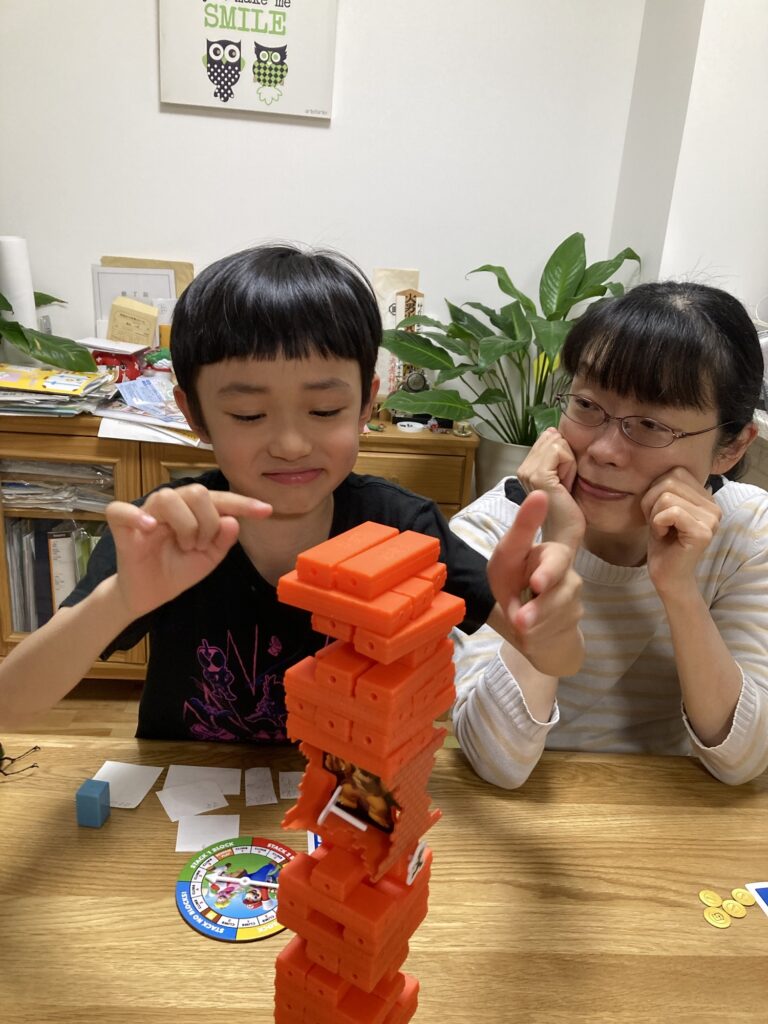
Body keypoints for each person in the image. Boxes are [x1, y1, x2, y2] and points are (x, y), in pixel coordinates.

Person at [0, 242, 582, 742]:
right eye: (248, 414)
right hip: (190, 795)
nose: (291, 444)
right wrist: (121, 598)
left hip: (349, 797)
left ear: (366, 403)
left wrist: (545, 620)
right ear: (195, 414)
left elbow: (558, 657)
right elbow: (11, 706)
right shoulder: (165, 531)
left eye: (324, 410)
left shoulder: (403, 526)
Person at [451, 280, 768, 788]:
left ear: (730, 448)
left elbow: (743, 762)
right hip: (536, 809)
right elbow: (498, 762)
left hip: (670, 810)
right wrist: (557, 548)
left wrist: (679, 590)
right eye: (587, 406)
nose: (602, 450)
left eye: (650, 425)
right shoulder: (492, 531)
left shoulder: (747, 532)